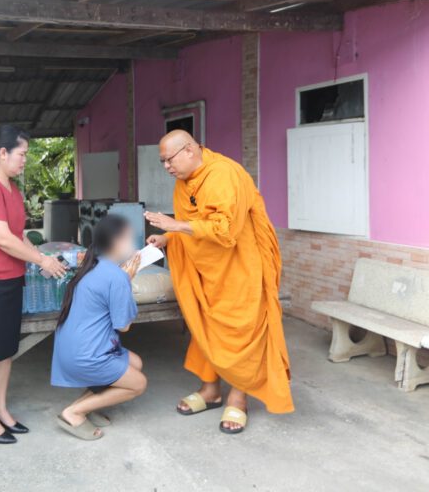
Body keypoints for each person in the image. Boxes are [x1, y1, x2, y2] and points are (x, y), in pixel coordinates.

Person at [145, 130, 294, 435]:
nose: (166, 168)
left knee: (241, 331)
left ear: (189, 150)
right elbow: (194, 223)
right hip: (206, 268)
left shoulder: (224, 174)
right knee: (206, 328)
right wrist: (167, 237)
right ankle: (210, 391)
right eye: (162, 162)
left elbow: (225, 230)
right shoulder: (185, 181)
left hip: (239, 266)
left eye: (168, 160)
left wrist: (175, 225)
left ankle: (238, 399)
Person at [0, 125, 67, 444]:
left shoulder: (11, 188)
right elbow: (1, 238)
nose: (24, 161)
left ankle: (1, 409)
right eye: (22, 154)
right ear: (3, 153)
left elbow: (18, 234)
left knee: (5, 350)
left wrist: (40, 254)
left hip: (10, 280)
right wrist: (42, 261)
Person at [51, 214, 145, 441]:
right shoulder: (117, 276)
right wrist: (127, 281)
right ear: (117, 242)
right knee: (138, 384)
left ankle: (82, 407)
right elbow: (123, 326)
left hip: (72, 351)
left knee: (136, 363)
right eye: (131, 239)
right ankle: (74, 412)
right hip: (87, 356)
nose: (134, 245)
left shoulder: (94, 263)